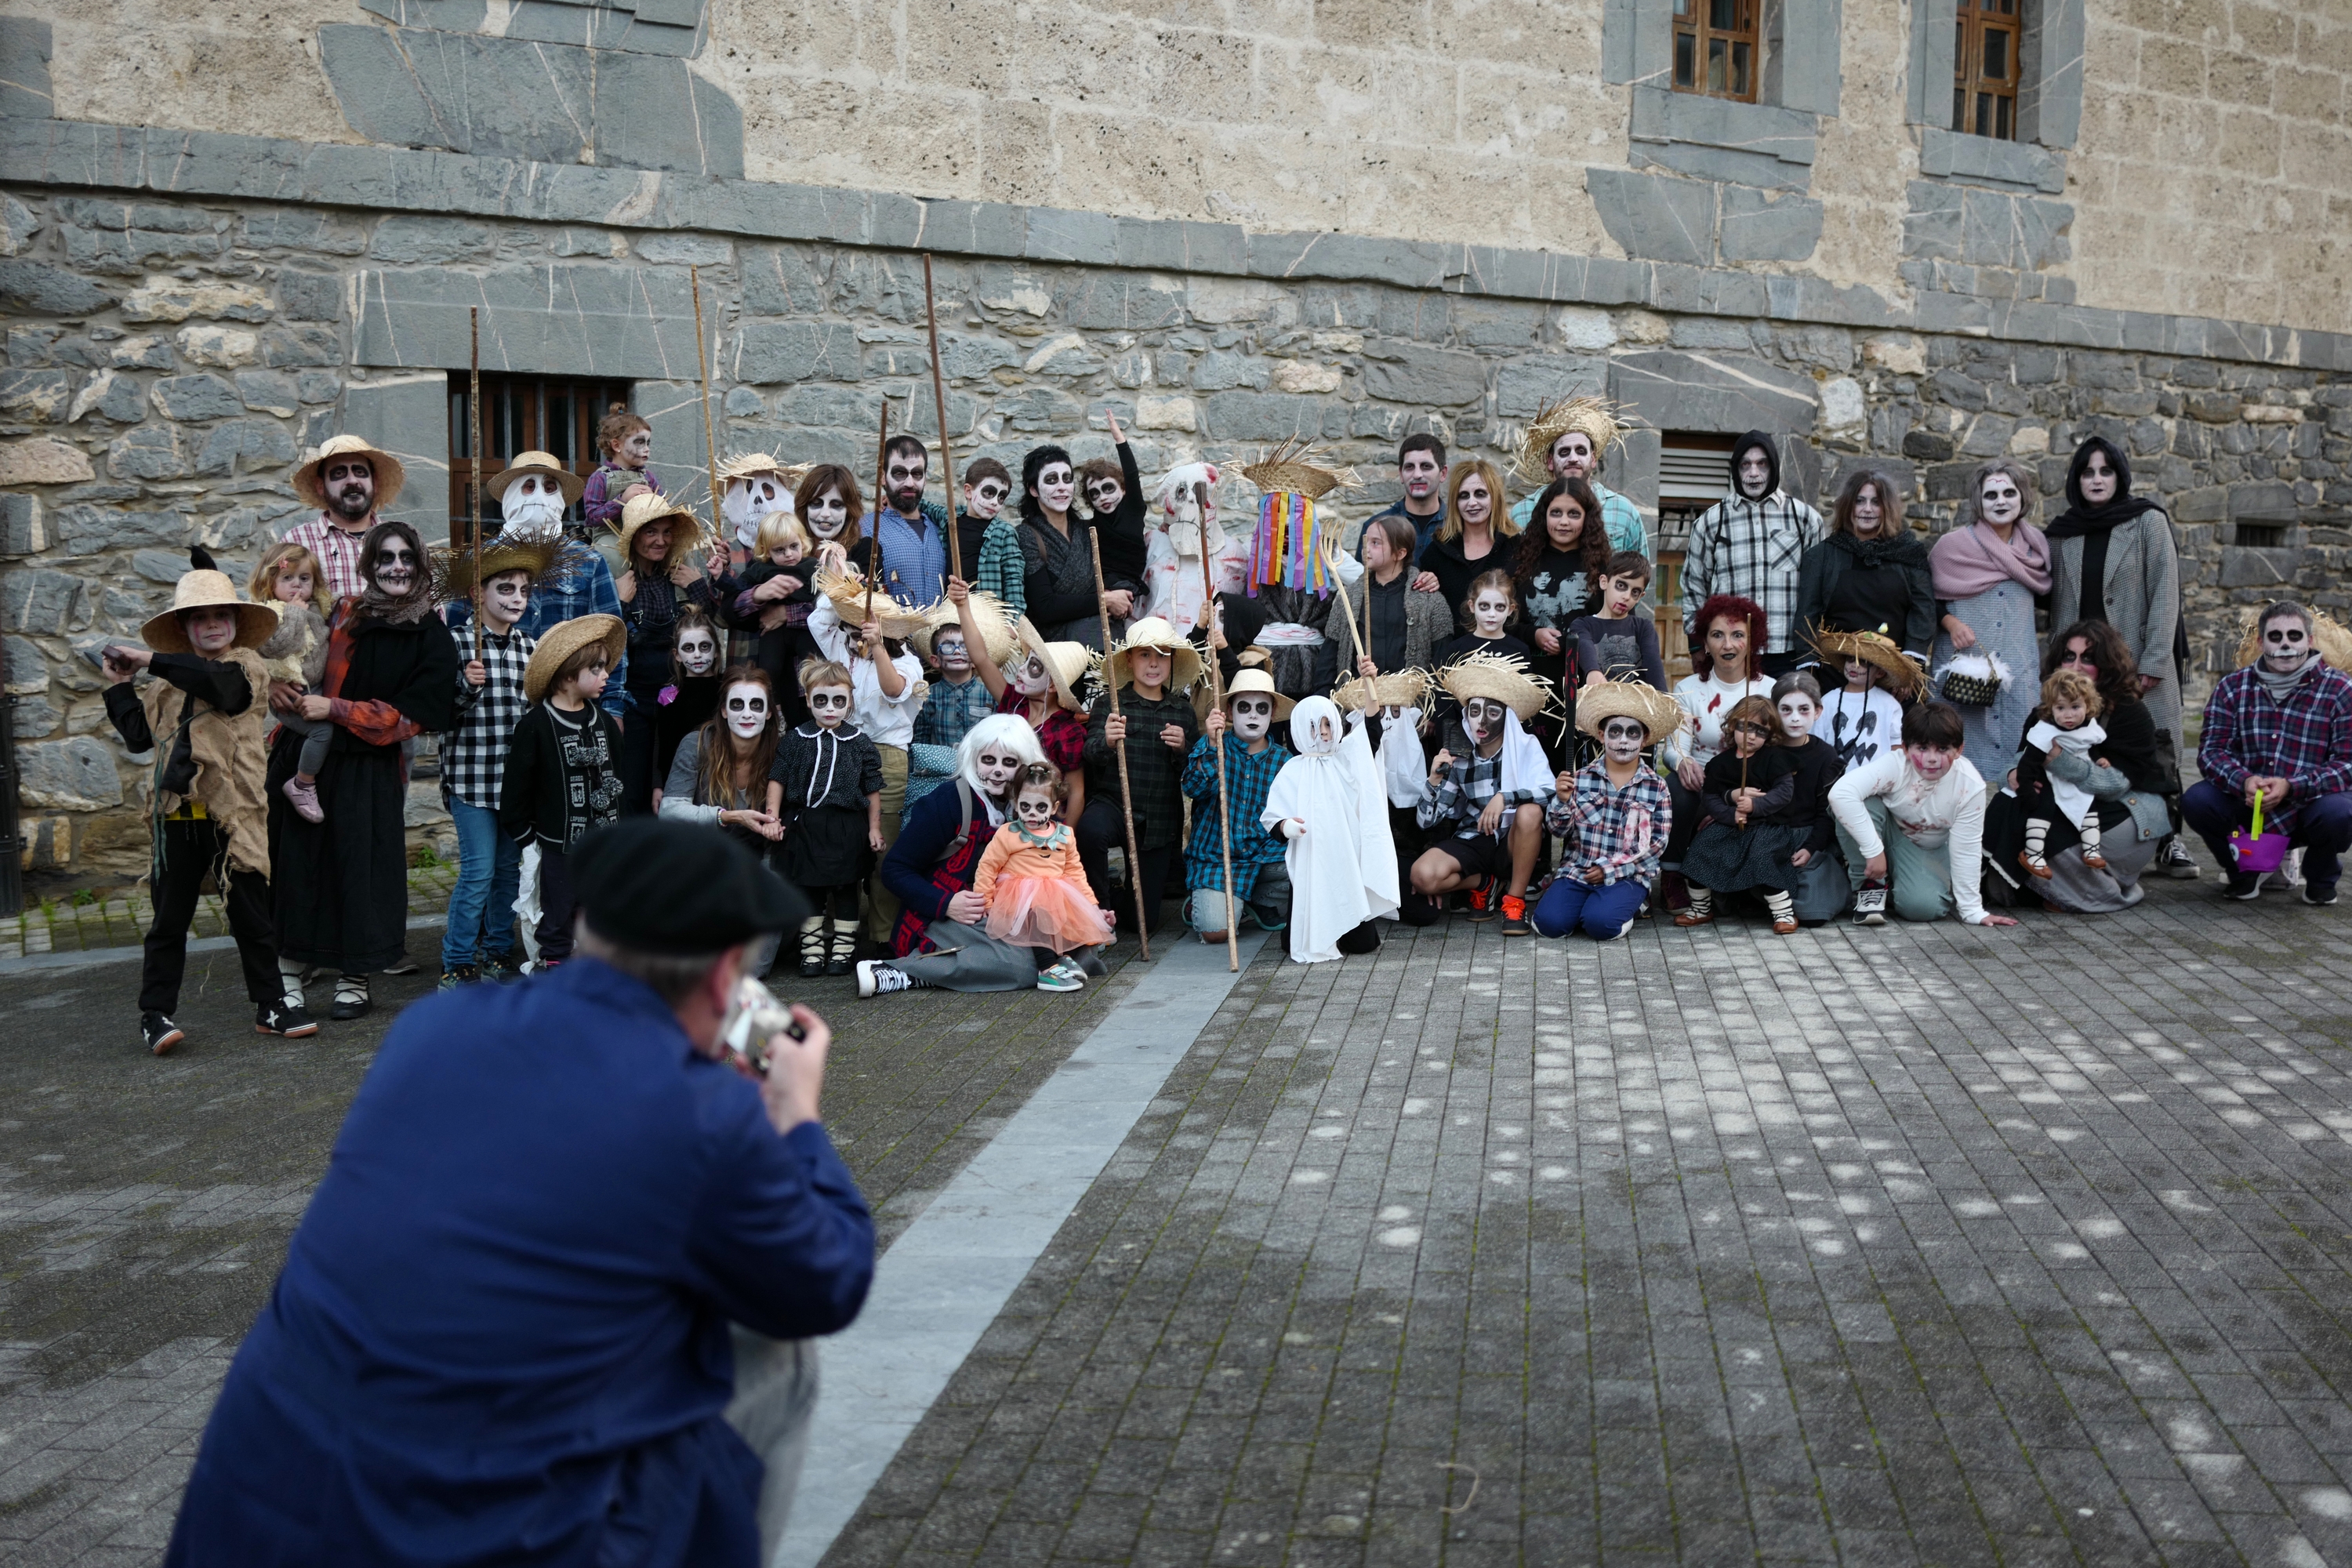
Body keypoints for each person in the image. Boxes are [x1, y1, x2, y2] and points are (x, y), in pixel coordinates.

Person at [165, 818, 873, 1568]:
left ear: (587, 928)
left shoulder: (433, 1028)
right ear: (729, 975)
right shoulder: (708, 1115)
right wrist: (796, 1116)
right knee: (773, 1351)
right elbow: (828, 1282)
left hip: (259, 1513)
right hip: (488, 1539)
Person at [102, 548, 309, 1054]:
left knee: (252, 920)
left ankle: (272, 1005)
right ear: (186, 628)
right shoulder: (168, 683)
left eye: (221, 615)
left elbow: (224, 691)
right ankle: (155, 1014)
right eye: (200, 618)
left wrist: (148, 658)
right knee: (168, 923)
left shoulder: (247, 668)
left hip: (234, 818)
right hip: (178, 819)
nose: (213, 625)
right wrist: (121, 686)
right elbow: (136, 736)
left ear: (235, 623)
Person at [267, 519, 461, 1021]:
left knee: (360, 872)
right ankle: (287, 973)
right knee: (298, 867)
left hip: (369, 767)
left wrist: (336, 711)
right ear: (369, 564)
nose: (396, 567)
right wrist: (275, 686)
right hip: (307, 757)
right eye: (385, 558)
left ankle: (354, 978)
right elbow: (292, 657)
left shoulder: (432, 636)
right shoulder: (344, 613)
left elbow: (409, 717)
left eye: (406, 558)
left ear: (419, 564)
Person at [2046, 434, 2194, 877]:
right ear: (2076, 479)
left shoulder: (2146, 521)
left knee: (2156, 748)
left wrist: (2150, 663)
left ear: (2120, 476)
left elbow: (2166, 594)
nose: (2096, 479)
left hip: (2136, 661)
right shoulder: (2063, 533)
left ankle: (2171, 839)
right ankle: (2089, 832)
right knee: (2088, 747)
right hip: (2078, 668)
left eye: (2105, 471)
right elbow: (2050, 602)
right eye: (2087, 472)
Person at [435, 532, 555, 988]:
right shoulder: (459, 644)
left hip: (513, 784)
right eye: (505, 588)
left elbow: (535, 714)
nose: (517, 598)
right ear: (477, 593)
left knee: (510, 869)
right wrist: (466, 686)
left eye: (523, 590)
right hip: (471, 781)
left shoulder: (529, 648)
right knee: (479, 870)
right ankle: (457, 959)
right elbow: (440, 715)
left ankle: (496, 951)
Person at [862, 716, 1052, 996]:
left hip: (1010, 911)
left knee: (1081, 943)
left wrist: (1085, 908)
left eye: (1009, 763)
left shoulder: (1034, 805)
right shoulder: (948, 801)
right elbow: (895, 869)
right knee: (1023, 966)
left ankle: (936, 973)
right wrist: (946, 903)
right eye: (988, 760)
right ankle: (907, 971)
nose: (997, 771)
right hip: (946, 917)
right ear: (974, 759)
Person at [2182, 600, 2352, 906]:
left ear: (2310, 641)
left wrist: (2293, 786)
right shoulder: (2231, 688)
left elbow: (2348, 763)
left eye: (2294, 636)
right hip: (2250, 803)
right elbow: (2211, 751)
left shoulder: (2342, 690)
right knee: (2197, 800)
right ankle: (2241, 871)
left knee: (2339, 813)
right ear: (2261, 642)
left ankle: (2321, 876)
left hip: (2311, 806)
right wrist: (2244, 781)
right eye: (2275, 637)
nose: (2285, 644)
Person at [501, 615, 626, 971]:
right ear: (570, 673)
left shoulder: (603, 722)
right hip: (560, 847)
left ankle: (596, 974)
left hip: (603, 845)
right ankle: (555, 976)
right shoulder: (536, 726)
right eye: (597, 667)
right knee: (558, 914)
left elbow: (619, 776)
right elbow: (516, 788)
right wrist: (527, 836)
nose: (606, 675)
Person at [803, 583, 924, 948]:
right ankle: (844, 935)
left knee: (883, 847)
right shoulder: (844, 651)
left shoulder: (908, 661)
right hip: (843, 749)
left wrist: (877, 646)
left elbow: (894, 690)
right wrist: (838, 584)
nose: (859, 633)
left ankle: (884, 937)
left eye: (869, 626)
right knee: (842, 843)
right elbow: (818, 623)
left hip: (887, 755)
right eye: (856, 626)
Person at [1828, 701, 2018, 927]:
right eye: (1923, 748)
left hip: (1928, 847)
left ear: (1959, 750)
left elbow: (1966, 848)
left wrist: (1972, 910)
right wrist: (1873, 850)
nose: (1932, 758)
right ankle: (1870, 889)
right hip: (1886, 835)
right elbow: (1840, 793)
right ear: (1906, 749)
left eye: (1943, 749)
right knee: (1861, 801)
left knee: (1923, 908)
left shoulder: (1970, 785)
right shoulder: (1895, 765)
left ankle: (1897, 884)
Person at [1411, 653, 1550, 935]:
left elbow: (1551, 794)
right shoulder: (1459, 756)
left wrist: (1506, 797)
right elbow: (1426, 823)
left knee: (1530, 811)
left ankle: (1514, 902)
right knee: (1422, 876)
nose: (1481, 722)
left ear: (1506, 716)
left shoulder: (1526, 746)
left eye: (1492, 713)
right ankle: (1483, 883)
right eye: (1475, 712)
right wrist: (1434, 779)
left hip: (1514, 840)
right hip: (1474, 839)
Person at [662, 665, 789, 971]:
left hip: (758, 860)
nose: (747, 714)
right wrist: (728, 816)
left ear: (770, 713)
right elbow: (669, 811)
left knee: (752, 969)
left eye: (756, 705)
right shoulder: (696, 744)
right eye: (737, 704)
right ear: (723, 711)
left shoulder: (782, 751)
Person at [1929, 460, 2049, 783]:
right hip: (1964, 676)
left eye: (2009, 493)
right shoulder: (1951, 547)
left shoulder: (2036, 550)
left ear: (2023, 499)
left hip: (2017, 672)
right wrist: (1951, 623)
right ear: (1978, 502)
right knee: (1955, 768)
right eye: (1991, 494)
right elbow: (1925, 600)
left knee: (2019, 770)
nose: (2000, 501)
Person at [1079, 617, 1200, 934]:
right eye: (1145, 654)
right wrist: (1105, 741)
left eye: (1162, 655)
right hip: (1114, 804)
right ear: (1130, 660)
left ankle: (1122, 898)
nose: (1154, 663)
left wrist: (1183, 748)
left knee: (1141, 923)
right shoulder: (1110, 703)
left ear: (1171, 661)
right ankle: (1099, 908)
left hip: (1159, 817)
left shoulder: (1183, 711)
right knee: (1091, 831)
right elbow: (1089, 754)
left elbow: (1196, 773)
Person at [1534, 678, 1679, 940]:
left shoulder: (1656, 787)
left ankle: (1625, 905)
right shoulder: (1581, 779)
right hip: (1578, 870)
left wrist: (1610, 870)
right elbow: (1558, 830)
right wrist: (1562, 800)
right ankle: (1582, 906)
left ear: (1645, 739)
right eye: (1615, 732)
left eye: (1632, 733)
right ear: (1602, 735)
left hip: (1628, 876)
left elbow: (1656, 844)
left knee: (1601, 926)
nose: (1623, 741)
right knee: (1549, 925)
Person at [615, 493, 731, 814]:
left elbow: (704, 630)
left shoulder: (678, 577)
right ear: (635, 537)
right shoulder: (620, 583)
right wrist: (621, 603)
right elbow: (609, 641)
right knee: (635, 786)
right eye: (651, 532)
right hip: (635, 702)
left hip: (678, 699)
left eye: (667, 532)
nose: (661, 540)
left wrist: (697, 586)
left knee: (685, 782)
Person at [769, 658, 885, 976]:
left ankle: (844, 950)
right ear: (808, 700)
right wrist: (772, 818)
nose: (830, 708)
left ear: (850, 701)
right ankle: (811, 950)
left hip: (847, 826)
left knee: (846, 887)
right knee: (808, 888)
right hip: (805, 824)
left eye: (838, 701)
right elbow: (777, 778)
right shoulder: (795, 739)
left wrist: (874, 828)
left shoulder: (859, 743)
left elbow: (872, 788)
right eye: (821, 700)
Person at [1262, 695, 1399, 961]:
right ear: (1301, 729)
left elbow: (1370, 735)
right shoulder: (1293, 770)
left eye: (1328, 724)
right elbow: (1273, 817)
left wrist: (1372, 694)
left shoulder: (1345, 757)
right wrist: (1285, 826)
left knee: (1362, 943)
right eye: (1314, 726)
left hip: (1345, 857)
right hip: (1310, 858)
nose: (1323, 732)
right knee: (1295, 940)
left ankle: (1348, 928)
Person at [1657, 593, 1771, 907]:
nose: (1728, 645)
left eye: (1738, 635)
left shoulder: (1770, 689)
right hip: (1703, 783)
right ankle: (1672, 873)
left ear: (1752, 641)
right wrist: (1682, 762)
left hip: (1752, 785)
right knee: (1674, 787)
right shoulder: (1688, 689)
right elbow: (1674, 747)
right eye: (1717, 635)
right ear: (1705, 644)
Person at [502, 451, 630, 728]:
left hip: (568, 713)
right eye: (528, 486)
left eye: (549, 488)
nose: (538, 496)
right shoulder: (481, 562)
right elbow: (456, 634)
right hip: (497, 713)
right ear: (512, 493)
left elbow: (610, 639)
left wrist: (613, 708)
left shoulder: (589, 561)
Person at [1679, 431, 1823, 677]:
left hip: (1787, 654)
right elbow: (1694, 586)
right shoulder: (1712, 521)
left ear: (1774, 467)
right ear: (1735, 469)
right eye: (1746, 465)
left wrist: (1811, 651)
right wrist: (1696, 646)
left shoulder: (1806, 520)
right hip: (1730, 653)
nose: (1753, 473)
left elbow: (1817, 591)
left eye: (1762, 464)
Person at [1182, 667, 1294, 944]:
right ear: (1230, 713)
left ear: (1272, 712)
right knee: (1217, 932)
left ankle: (1252, 900)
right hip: (1218, 860)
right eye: (1245, 707)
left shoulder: (1285, 760)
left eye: (1261, 708)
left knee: (1306, 870)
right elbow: (1193, 787)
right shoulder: (1213, 746)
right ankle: (1208, 899)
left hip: (1265, 859)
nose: (1253, 715)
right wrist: (1210, 743)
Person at [973, 762, 1107, 991]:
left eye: (1040, 807)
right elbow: (988, 867)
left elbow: (1075, 870)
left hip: (1055, 890)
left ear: (1054, 807)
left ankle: (1059, 956)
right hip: (1019, 895)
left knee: (1061, 912)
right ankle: (1047, 969)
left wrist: (1091, 905)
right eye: (1025, 806)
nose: (1032, 813)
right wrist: (984, 900)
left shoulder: (1065, 835)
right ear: (1015, 803)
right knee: (1039, 911)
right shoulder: (1009, 833)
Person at [1794, 468, 1934, 660]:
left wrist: (1911, 661)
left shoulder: (1909, 553)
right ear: (1847, 506)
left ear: (1888, 507)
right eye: (1859, 501)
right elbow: (1807, 617)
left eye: (1876, 502)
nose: (1867, 509)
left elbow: (1923, 610)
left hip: (1895, 671)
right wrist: (1809, 664)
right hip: (1836, 671)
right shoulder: (1822, 556)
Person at [907, 584, 1016, 813]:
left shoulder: (989, 693)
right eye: (948, 647)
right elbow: (921, 740)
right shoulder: (929, 696)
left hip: (984, 778)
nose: (957, 651)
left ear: (975, 658)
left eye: (966, 647)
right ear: (935, 660)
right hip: (941, 777)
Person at [248, 541, 336, 824]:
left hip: (317, 687)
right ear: (269, 581)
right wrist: (295, 614)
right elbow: (280, 648)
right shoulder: (269, 614)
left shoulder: (314, 608)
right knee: (322, 732)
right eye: (288, 578)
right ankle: (302, 784)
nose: (297, 585)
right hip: (290, 694)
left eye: (305, 578)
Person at [1018, 444, 1136, 648]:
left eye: (1067, 478)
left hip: (1107, 643)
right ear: (1034, 489)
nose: (1062, 486)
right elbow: (1045, 607)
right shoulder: (1027, 536)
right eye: (1051, 480)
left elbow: (1131, 525)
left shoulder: (1088, 529)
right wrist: (1105, 600)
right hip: (1059, 653)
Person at [1507, 397, 1650, 557]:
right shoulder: (1522, 513)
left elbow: (1640, 576)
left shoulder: (1624, 512)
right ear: (1550, 461)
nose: (1573, 458)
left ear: (1593, 459)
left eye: (1581, 451)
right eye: (1564, 452)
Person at [1514, 475, 1611, 700]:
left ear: (1588, 518)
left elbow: (1615, 624)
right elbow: (1502, 620)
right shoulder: (1522, 561)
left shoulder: (1603, 567)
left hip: (1585, 687)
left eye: (1574, 514)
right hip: (1529, 686)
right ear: (1544, 514)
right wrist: (1534, 634)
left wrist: (1570, 644)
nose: (1564, 521)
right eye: (1556, 512)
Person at [1767, 672, 1850, 924]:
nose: (1794, 718)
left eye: (1804, 710)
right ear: (1774, 711)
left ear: (1817, 712)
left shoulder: (1826, 757)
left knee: (1811, 912)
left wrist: (1810, 847)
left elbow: (1826, 813)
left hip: (1808, 838)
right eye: (1786, 709)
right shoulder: (1764, 751)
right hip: (1769, 837)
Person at [1330, 511, 1451, 680]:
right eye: (1366, 542)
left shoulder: (1430, 600)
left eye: (1376, 543)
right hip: (1358, 700)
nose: (1366, 549)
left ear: (1400, 554)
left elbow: (1441, 660)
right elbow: (1330, 652)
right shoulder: (1349, 597)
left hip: (1410, 702)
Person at [281, 434, 405, 599]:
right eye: (339, 474)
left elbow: (430, 603)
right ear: (320, 486)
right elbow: (278, 609)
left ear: (374, 483)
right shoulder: (296, 542)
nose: (352, 480)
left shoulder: (403, 540)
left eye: (360, 472)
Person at [2013, 668, 2110, 879]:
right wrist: (2027, 791)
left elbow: (2090, 745)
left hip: (2077, 779)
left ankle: (2092, 851)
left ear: (2088, 705)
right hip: (2047, 778)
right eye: (2061, 708)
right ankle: (2033, 854)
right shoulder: (2045, 731)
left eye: (2075, 707)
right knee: (2042, 810)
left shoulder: (2088, 726)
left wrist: (2099, 759)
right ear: (2051, 708)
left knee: (2089, 807)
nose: (2068, 715)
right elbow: (2027, 764)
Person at [733, 510, 819, 724]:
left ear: (803, 543)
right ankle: (774, 710)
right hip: (773, 630)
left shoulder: (812, 567)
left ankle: (819, 701)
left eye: (794, 546)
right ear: (766, 551)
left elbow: (829, 601)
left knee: (815, 664)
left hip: (804, 629)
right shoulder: (761, 569)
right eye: (779, 550)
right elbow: (736, 594)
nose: (789, 554)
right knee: (769, 668)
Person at [846, 434, 950, 606]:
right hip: (885, 632)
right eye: (900, 473)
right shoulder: (863, 529)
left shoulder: (943, 529)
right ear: (882, 477)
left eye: (917, 473)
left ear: (925, 478)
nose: (910, 482)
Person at [1414, 458, 1517, 633]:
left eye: (1480, 494)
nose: (1472, 503)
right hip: (1452, 655)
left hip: (1505, 654)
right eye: (1464, 496)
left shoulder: (1516, 547)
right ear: (1455, 502)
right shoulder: (1437, 551)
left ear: (1495, 497)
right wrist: (1426, 582)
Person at [1814, 628, 1918, 770]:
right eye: (1850, 658)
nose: (1854, 665)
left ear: (1880, 672)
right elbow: (1816, 740)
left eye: (1863, 661)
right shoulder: (1828, 701)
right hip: (1831, 780)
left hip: (1875, 781)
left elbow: (1896, 745)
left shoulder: (1889, 705)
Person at [1566, 551, 1667, 692]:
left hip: (1635, 707)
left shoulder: (1644, 628)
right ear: (1604, 582)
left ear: (1641, 597)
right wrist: (1593, 671)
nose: (1627, 596)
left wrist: (1667, 705)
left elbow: (1655, 670)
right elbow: (1584, 646)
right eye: (1621, 585)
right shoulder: (1583, 625)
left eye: (1635, 592)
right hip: (1596, 705)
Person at [1080, 409, 1152, 591]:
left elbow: (1132, 474)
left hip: (1127, 584)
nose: (1103, 497)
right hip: (1100, 583)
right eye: (1094, 493)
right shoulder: (1093, 525)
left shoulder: (1133, 510)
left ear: (1122, 488)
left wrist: (1120, 439)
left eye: (1108, 488)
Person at [1361, 431, 1448, 565]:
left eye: (1426, 466)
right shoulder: (1375, 527)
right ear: (1401, 474)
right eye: (1410, 467)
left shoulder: (1458, 526)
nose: (1417, 475)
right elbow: (1362, 582)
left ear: (1443, 474)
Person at [956, 457, 1027, 617]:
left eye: (1001, 497)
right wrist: (887, 500)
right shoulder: (950, 520)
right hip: (952, 611)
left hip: (988, 616)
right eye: (989, 493)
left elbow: (1014, 581)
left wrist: (1012, 621)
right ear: (968, 491)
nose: (995, 502)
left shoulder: (1005, 532)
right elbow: (928, 508)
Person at [581, 403, 658, 537]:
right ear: (617, 445)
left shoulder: (648, 477)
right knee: (615, 558)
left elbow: (666, 511)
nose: (647, 449)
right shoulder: (600, 478)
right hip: (609, 536)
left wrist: (654, 499)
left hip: (642, 536)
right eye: (640, 442)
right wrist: (621, 501)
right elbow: (593, 517)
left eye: (648, 443)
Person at [793, 461, 862, 555]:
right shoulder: (786, 552)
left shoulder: (865, 552)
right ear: (804, 508)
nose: (825, 514)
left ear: (849, 511)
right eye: (816, 503)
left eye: (836, 505)